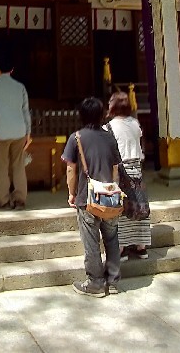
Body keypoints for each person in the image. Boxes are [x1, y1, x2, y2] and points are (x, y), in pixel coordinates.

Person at [62, 96, 123, 297]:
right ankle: (113, 281)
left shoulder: (76, 138)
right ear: (101, 114)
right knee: (112, 239)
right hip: (110, 195)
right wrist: (112, 189)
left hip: (87, 197)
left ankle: (96, 283)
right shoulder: (109, 137)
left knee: (91, 241)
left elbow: (71, 170)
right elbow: (115, 169)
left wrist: (71, 193)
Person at [105, 92, 150, 260]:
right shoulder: (135, 123)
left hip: (120, 169)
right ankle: (141, 246)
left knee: (121, 208)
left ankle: (122, 248)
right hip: (136, 168)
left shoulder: (109, 127)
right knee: (140, 204)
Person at [0, 57, 31, 210]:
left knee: (1, 167)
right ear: (12, 70)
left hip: (0, 132)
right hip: (20, 131)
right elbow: (26, 111)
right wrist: (28, 133)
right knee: (18, 166)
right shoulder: (20, 87)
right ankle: (19, 200)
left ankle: (3, 200)